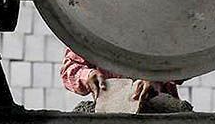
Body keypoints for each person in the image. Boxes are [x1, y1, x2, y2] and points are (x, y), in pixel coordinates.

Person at [60, 48, 189, 112]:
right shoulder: (94, 22)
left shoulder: (160, 20)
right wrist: (87, 75)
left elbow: (188, 65)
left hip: (159, 110)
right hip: (110, 111)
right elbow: (69, 69)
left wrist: (154, 75)